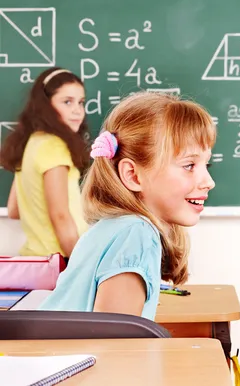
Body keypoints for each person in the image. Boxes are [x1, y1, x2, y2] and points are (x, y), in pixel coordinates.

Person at [40, 92, 216, 319]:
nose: (208, 182)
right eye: (189, 165)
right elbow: (115, 344)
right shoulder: (136, 236)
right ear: (132, 175)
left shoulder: (116, 227)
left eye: (206, 164)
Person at [1, 67, 89, 257]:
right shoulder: (54, 147)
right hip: (59, 260)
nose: (77, 110)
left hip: (36, 258)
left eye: (81, 103)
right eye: (67, 102)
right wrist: (81, 265)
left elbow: (14, 210)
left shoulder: (31, 143)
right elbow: (60, 215)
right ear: (45, 105)